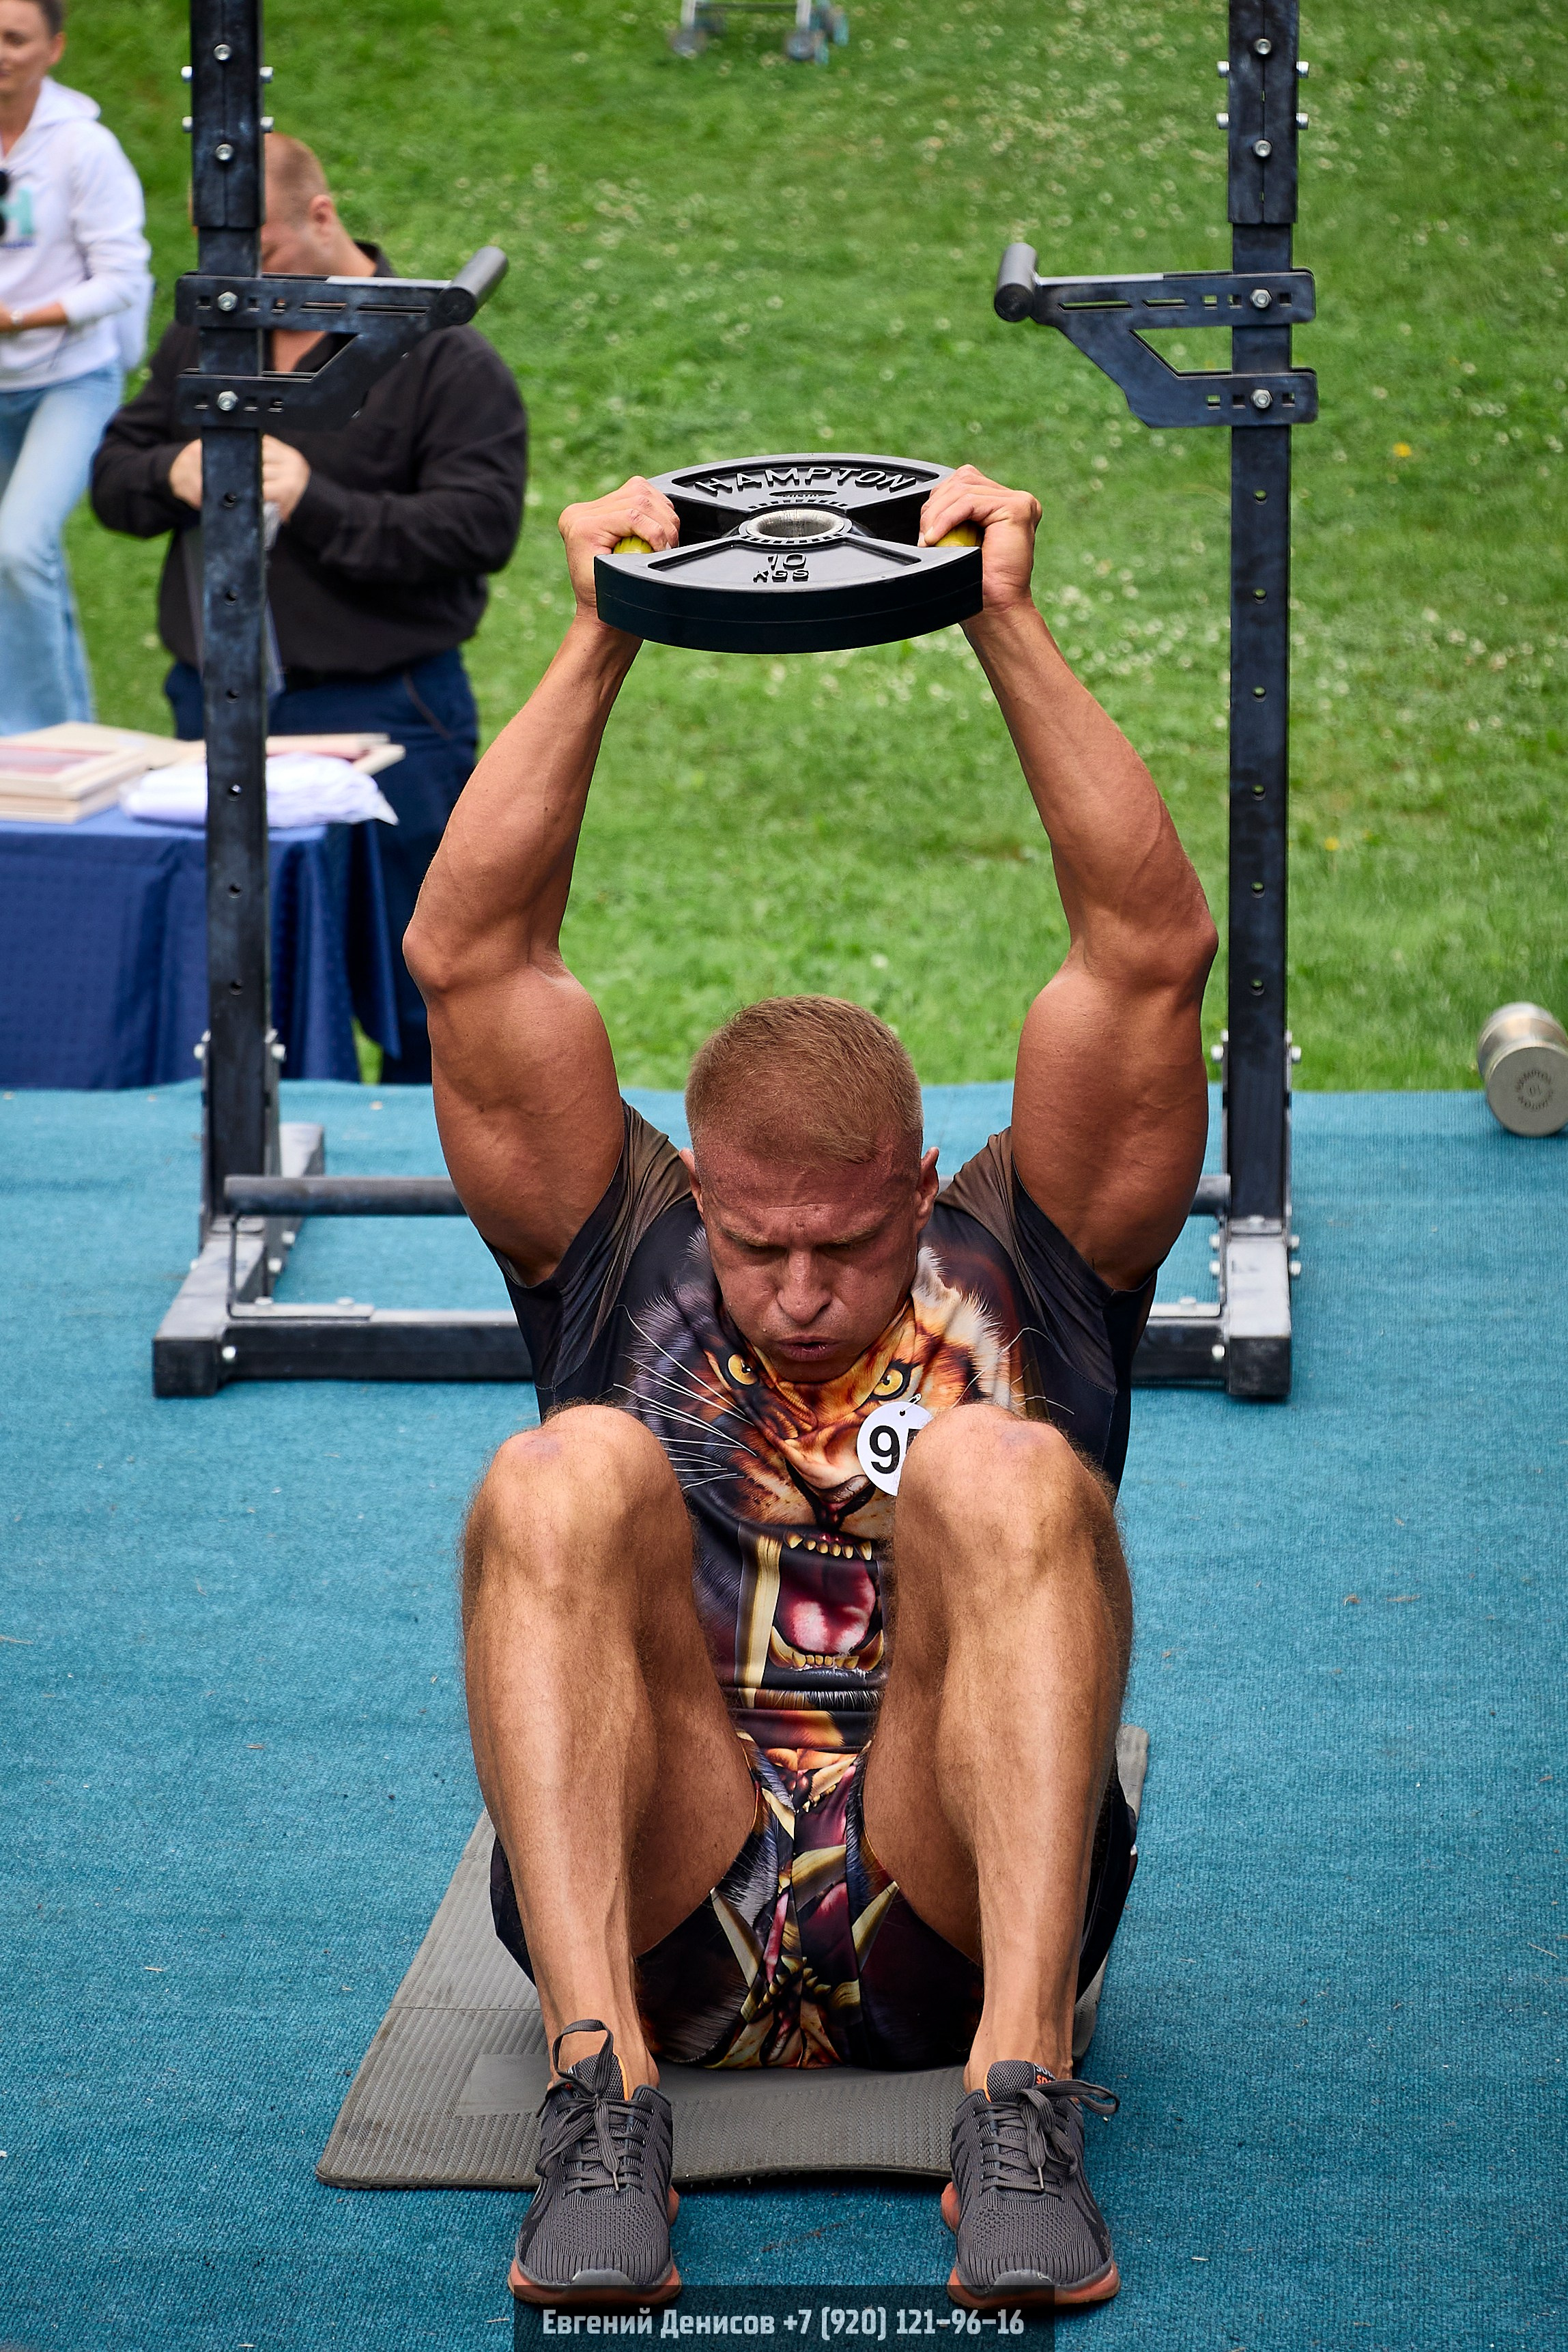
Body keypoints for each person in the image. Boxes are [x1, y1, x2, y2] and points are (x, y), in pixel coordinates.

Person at [403, 466, 1218, 2310]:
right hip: (666, 1899)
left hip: (955, 1905)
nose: (793, 1291)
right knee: (556, 1474)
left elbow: (1149, 958)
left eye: (843, 1246)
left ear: (920, 1187)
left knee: (1006, 1471)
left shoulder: (1027, 1257)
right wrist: (603, 628)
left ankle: (1019, 2102)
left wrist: (1002, 617)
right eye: (756, 1243)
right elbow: (470, 960)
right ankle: (597, 2101)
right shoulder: (621, 1245)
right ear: (698, 1186)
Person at [90, 133, 526, 1084]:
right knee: (238, 970)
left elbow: (477, 530)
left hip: (389, 711)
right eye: (223, 258)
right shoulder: (208, 334)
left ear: (322, 217)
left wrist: (312, 500)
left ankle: (430, 1157)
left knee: (428, 982)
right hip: (217, 705)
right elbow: (113, 478)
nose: (246, 280)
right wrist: (172, 471)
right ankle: (246, 1141)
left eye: (265, 254)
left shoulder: (444, 358)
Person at [0, 0, 149, 734]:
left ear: (54, 49)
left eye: (15, 38)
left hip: (71, 375)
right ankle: (55, 734)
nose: (0, 52)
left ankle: (42, 744)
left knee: (18, 547)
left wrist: (19, 317)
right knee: (18, 564)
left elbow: (122, 279)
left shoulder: (84, 147)